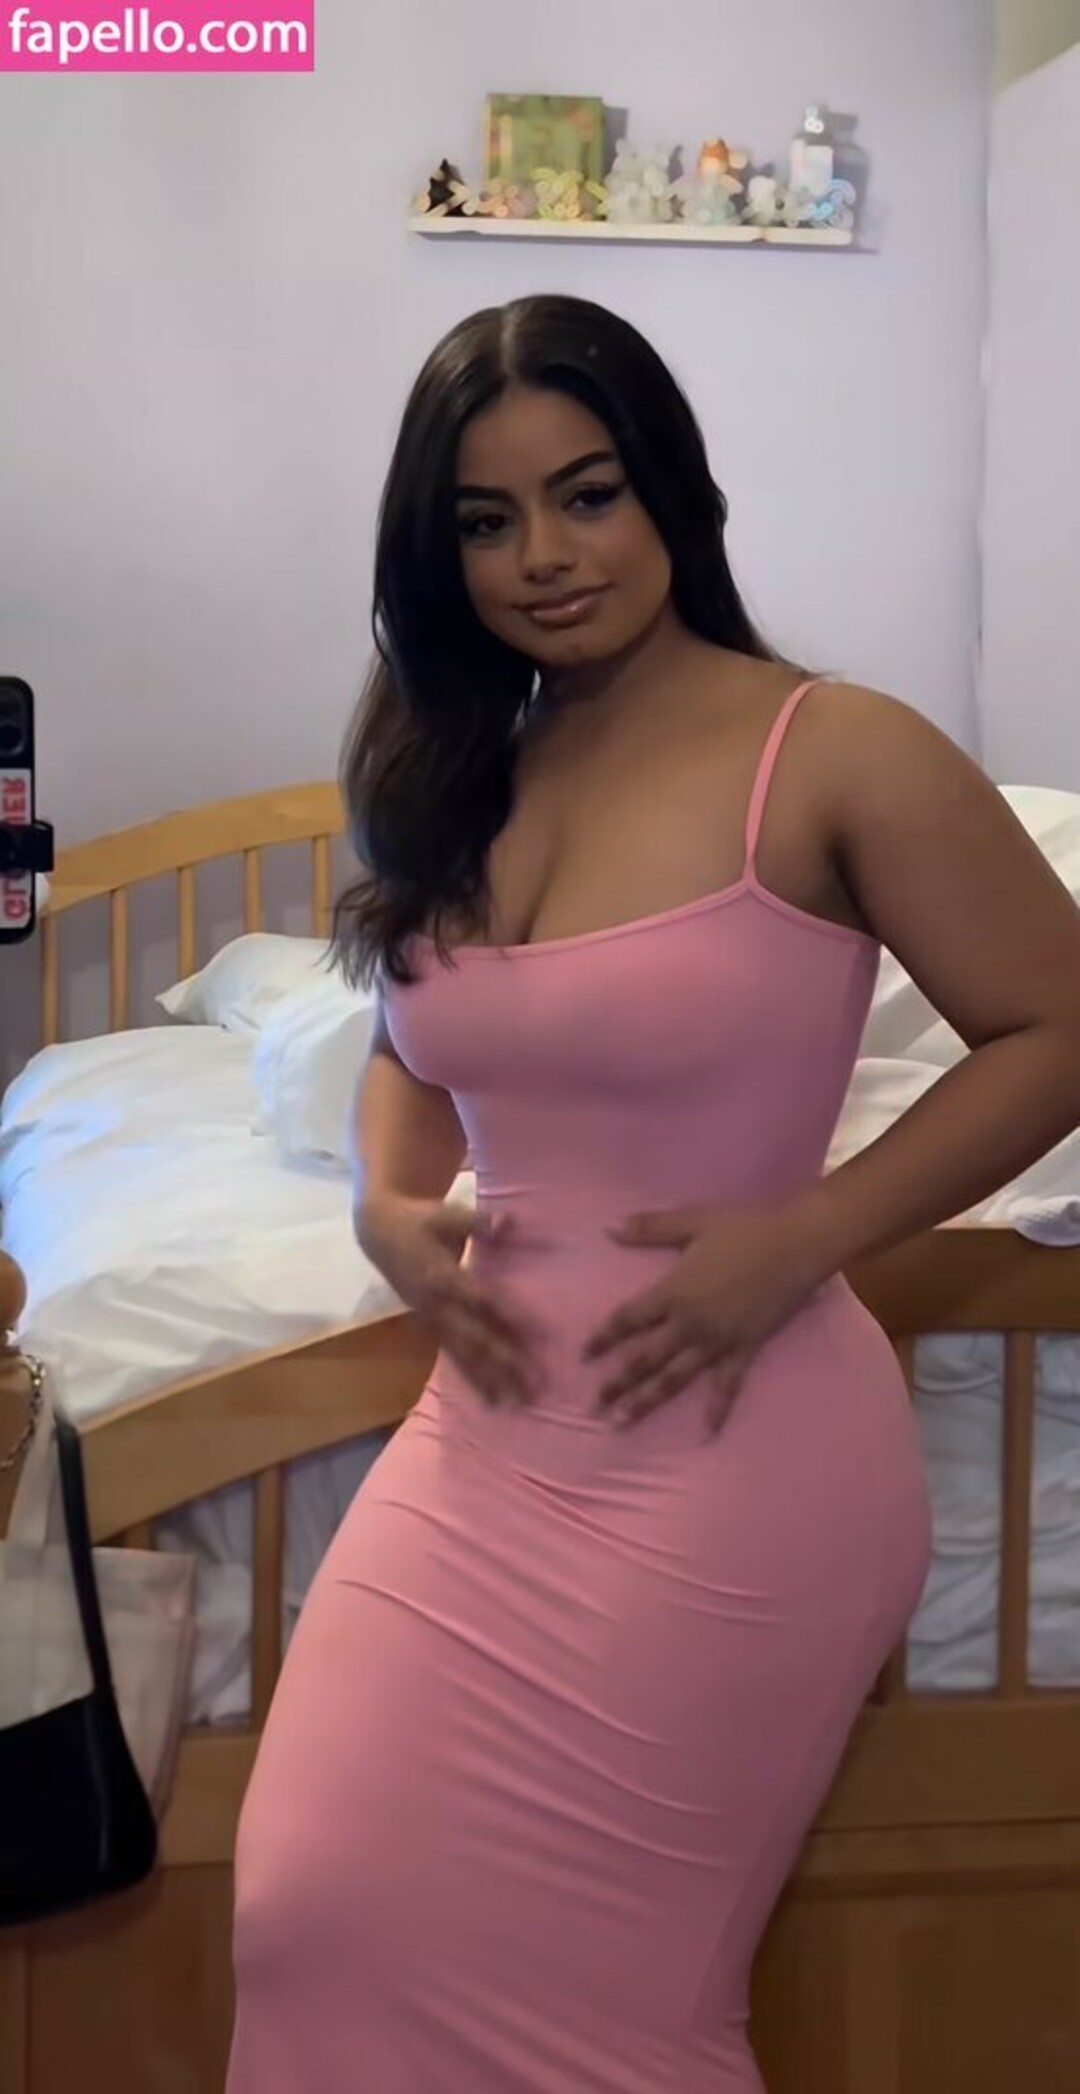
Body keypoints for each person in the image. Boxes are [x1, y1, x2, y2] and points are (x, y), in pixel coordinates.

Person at [228, 295, 1080, 2092]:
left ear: (673, 493)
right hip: (484, 1445)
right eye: (488, 519)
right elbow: (415, 1042)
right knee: (308, 1913)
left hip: (732, 1450)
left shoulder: (833, 749)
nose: (545, 555)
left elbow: (1058, 1024)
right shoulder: (451, 768)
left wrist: (814, 1230)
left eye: (589, 493)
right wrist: (386, 1203)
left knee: (602, 2012)